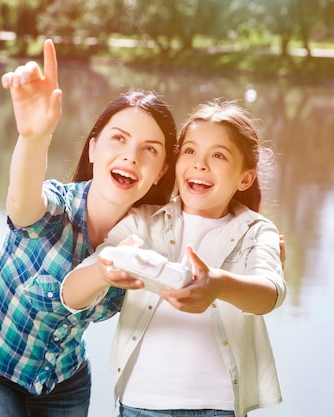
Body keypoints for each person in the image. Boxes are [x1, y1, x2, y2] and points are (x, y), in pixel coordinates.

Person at [0, 38, 178, 417]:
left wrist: (251, 250)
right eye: (118, 138)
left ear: (161, 172)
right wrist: (34, 137)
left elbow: (200, 267)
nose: (130, 156)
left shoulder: (150, 239)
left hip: (62, 382)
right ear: (93, 148)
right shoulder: (54, 207)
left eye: (149, 149)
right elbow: (23, 201)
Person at [61, 100, 287, 417]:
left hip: (218, 406)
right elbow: (70, 293)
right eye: (190, 151)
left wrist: (218, 285)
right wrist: (105, 269)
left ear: (245, 178)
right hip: (141, 403)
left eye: (218, 156)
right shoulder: (142, 221)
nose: (200, 164)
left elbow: (270, 294)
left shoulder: (255, 231)